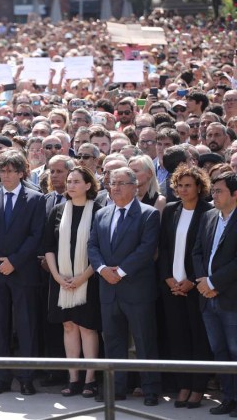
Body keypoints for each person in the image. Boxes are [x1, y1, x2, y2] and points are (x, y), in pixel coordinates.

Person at [88, 167, 161, 406]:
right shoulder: (102, 214)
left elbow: (146, 249)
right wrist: (101, 270)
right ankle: (116, 388)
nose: (115, 187)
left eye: (121, 183)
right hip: (108, 289)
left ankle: (150, 390)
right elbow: (93, 246)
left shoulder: (148, 214)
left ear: (134, 186)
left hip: (136, 289)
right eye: (112, 183)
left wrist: (119, 272)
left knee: (144, 341)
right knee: (113, 341)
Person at [0, 149, 45, 396]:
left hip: (23, 271)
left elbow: (36, 235)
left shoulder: (36, 198)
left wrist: (14, 261)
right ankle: (1, 377)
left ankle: (26, 377)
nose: (6, 175)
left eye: (11, 171)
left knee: (26, 326)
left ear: (21, 172)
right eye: (2, 171)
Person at [43, 166, 102, 398]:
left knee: (87, 327)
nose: (70, 185)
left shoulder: (98, 211)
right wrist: (57, 276)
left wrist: (81, 277)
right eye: (69, 181)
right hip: (61, 280)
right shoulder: (57, 210)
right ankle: (73, 378)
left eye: (76, 181)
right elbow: (48, 246)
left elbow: (99, 249)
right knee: (68, 326)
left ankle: (90, 379)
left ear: (88, 185)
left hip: (88, 279)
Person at [158, 165, 212, 409]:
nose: (182, 189)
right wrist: (169, 278)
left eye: (188, 185)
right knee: (177, 337)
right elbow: (164, 248)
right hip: (172, 287)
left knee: (198, 338)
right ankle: (183, 384)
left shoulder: (208, 212)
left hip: (195, 288)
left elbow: (206, 251)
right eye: (179, 185)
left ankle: (198, 387)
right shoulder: (171, 210)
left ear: (199, 187)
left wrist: (191, 280)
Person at [192, 171, 237, 416]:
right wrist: (203, 283)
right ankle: (229, 397)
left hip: (230, 296)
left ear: (235, 194)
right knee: (219, 351)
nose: (214, 195)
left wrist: (214, 282)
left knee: (235, 350)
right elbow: (197, 251)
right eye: (214, 191)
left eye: (219, 191)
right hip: (207, 297)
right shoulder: (209, 216)